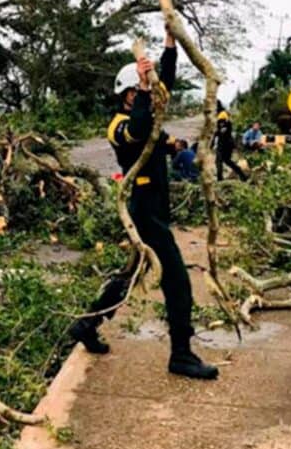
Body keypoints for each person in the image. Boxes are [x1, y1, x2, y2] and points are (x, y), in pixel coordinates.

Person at [68, 26, 218, 380]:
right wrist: (145, 86)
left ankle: (86, 325)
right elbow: (136, 132)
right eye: (140, 91)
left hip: (153, 210)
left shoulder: (152, 117)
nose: (148, 95)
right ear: (128, 95)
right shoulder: (120, 125)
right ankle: (181, 354)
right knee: (177, 282)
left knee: (131, 273)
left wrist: (169, 44)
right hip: (146, 212)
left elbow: (163, 87)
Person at [211, 111, 248, 181]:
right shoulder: (221, 125)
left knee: (221, 162)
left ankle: (220, 179)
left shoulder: (227, 125)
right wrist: (212, 144)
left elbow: (220, 133)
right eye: (220, 122)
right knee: (225, 162)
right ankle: (242, 175)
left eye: (222, 122)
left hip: (225, 147)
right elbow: (215, 135)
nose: (221, 123)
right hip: (224, 146)